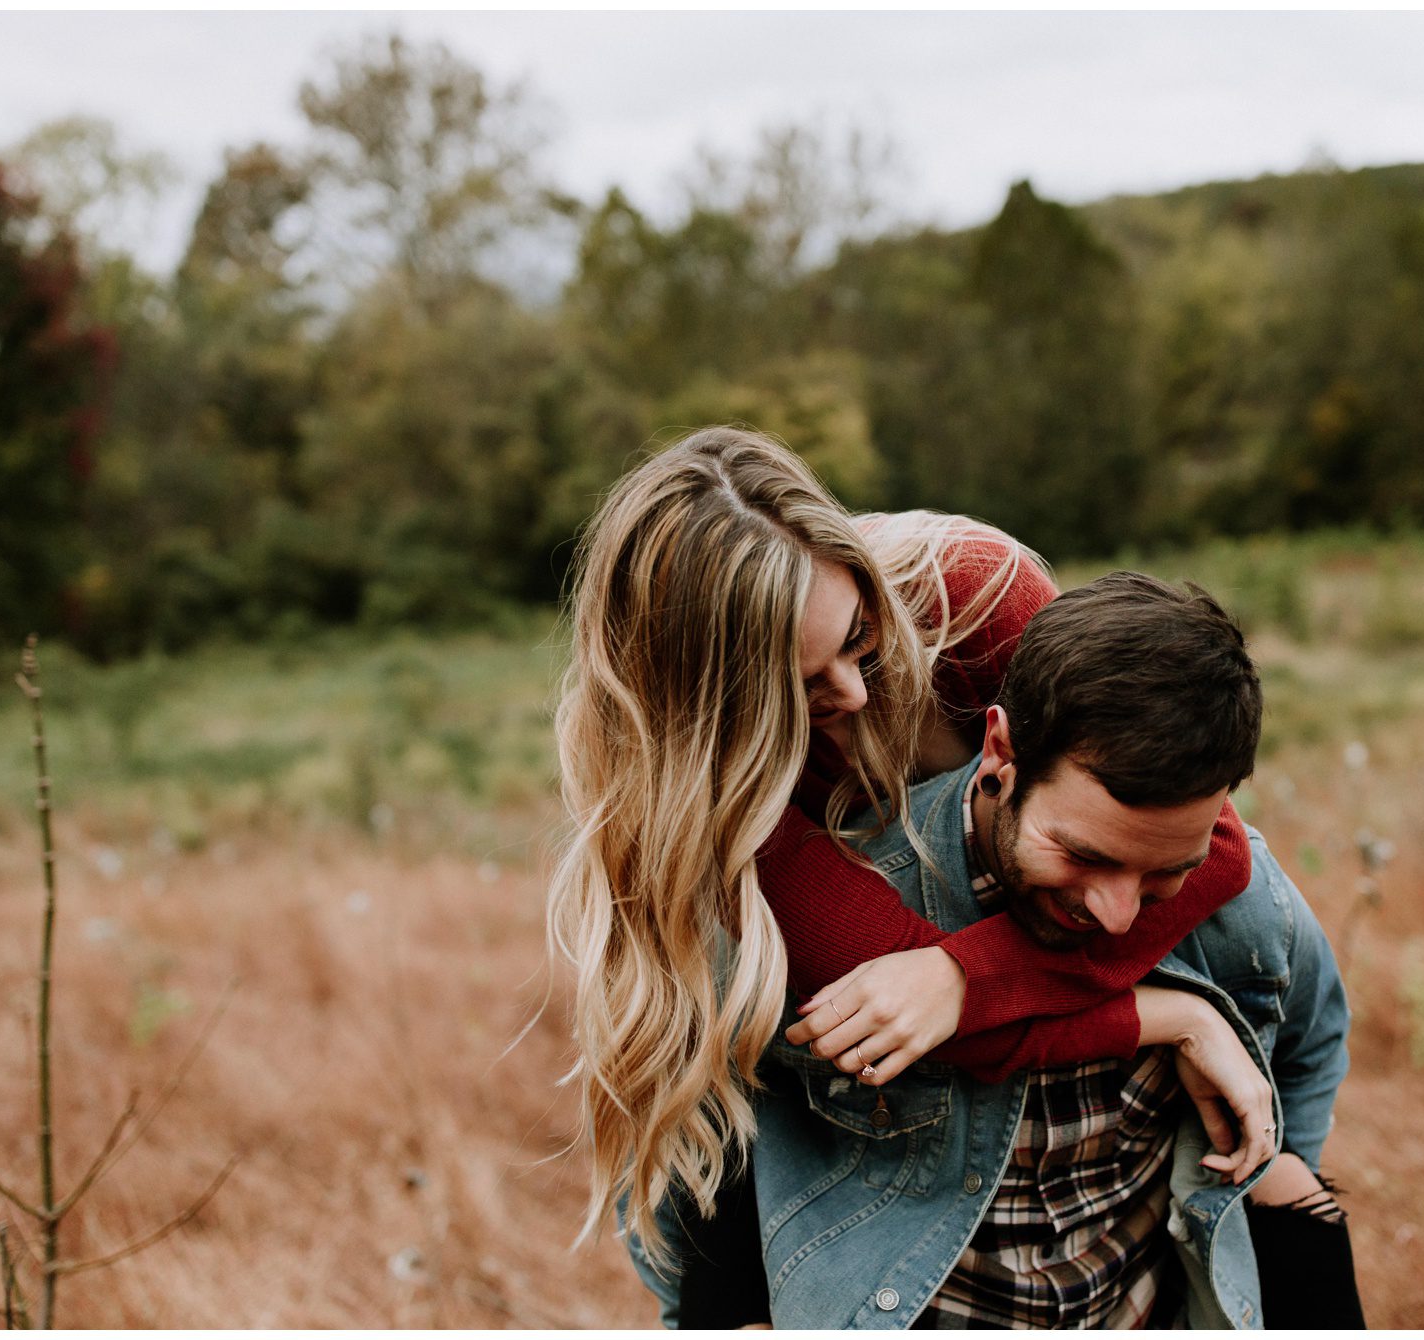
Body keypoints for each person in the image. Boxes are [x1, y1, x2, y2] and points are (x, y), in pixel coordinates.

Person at [546, 428, 1272, 1288]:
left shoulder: (969, 600)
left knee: (1254, 908)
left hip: (1036, 950)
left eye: (859, 639)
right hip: (836, 1088)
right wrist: (1174, 1017)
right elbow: (910, 1025)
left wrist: (961, 975)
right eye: (798, 683)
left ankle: (1289, 1191)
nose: (853, 693)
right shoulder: (710, 803)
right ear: (707, 710)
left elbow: (1206, 840)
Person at [630, 573, 1364, 1328]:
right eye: (1082, 854)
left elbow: (1305, 1036)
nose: (1118, 919)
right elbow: (694, 1130)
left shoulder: (1235, 894)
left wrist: (1274, 1177)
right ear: (1000, 751)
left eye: (1163, 874)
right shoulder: (824, 915)